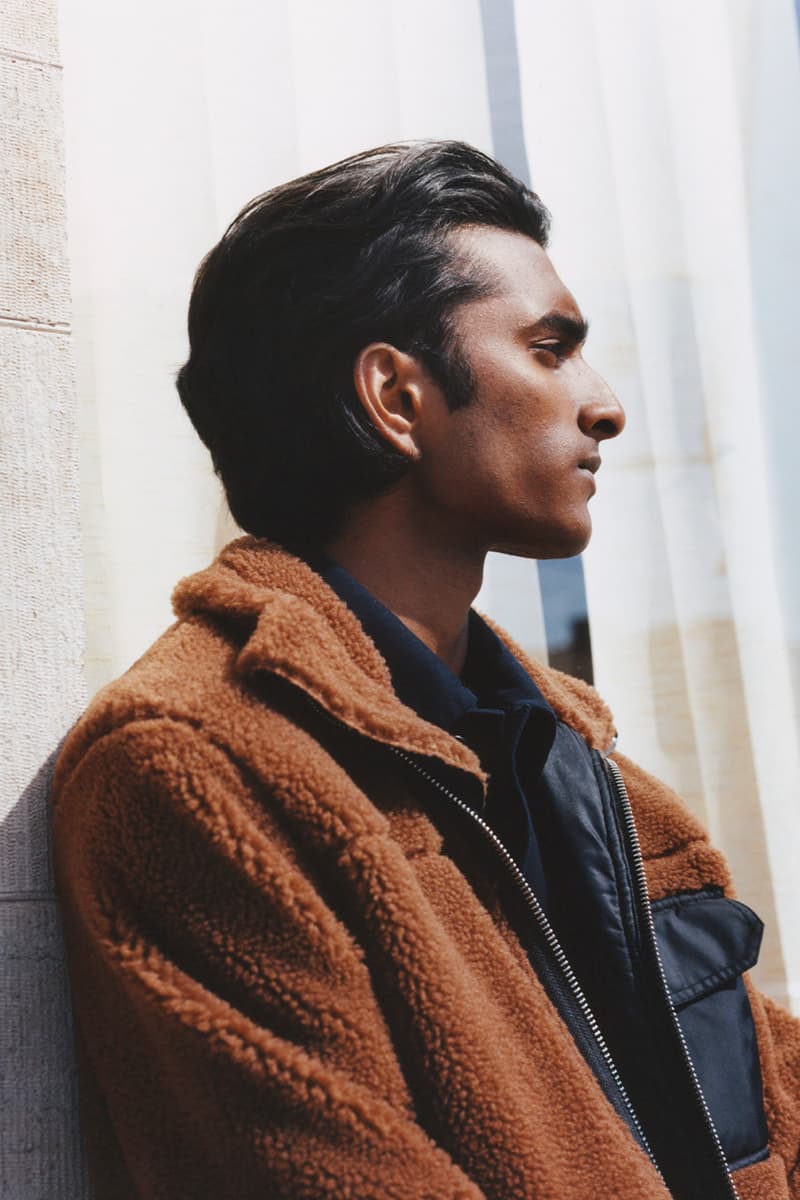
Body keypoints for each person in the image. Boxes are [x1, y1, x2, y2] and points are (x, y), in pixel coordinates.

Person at [51, 141, 800, 1200]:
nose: (604, 406)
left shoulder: (578, 764)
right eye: (550, 349)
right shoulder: (191, 770)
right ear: (396, 397)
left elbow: (762, 1114)